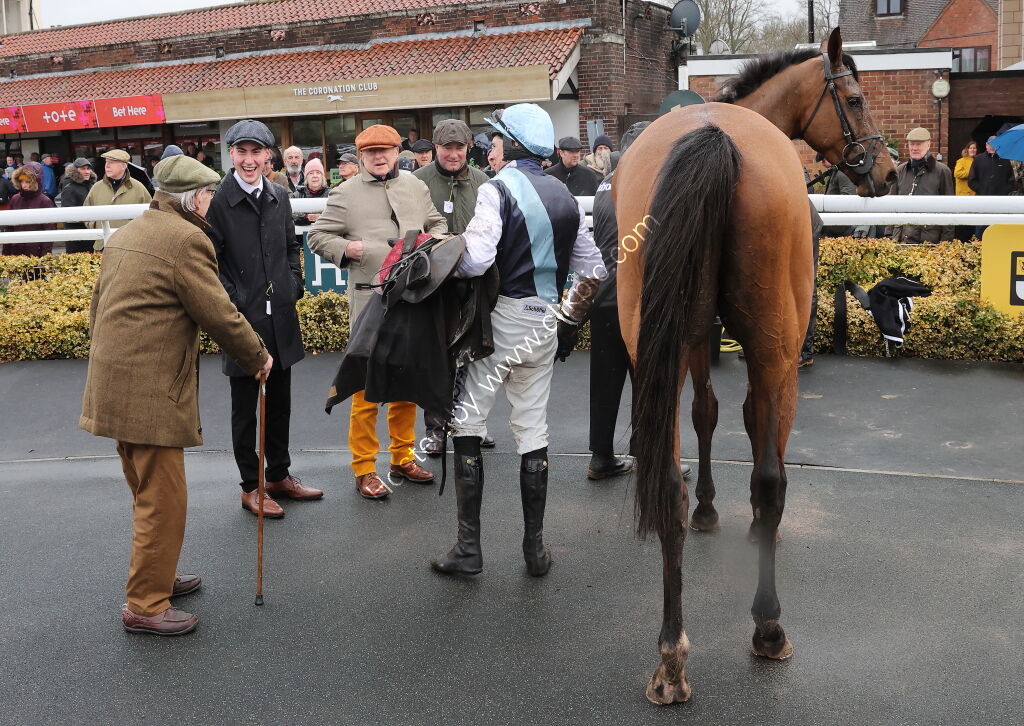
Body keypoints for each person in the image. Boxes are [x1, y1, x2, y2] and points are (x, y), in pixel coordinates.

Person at [80, 154, 273, 636]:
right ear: (196, 199)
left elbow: (96, 307)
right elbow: (219, 313)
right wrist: (258, 358)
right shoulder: (186, 239)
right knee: (162, 500)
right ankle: (145, 604)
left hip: (112, 384)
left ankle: (157, 575)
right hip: (149, 392)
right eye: (211, 197)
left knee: (147, 491)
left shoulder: (129, 232)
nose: (214, 205)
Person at [432, 103, 607, 578]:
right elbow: (594, 271)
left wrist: (443, 253)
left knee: (467, 422)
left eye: (497, 137)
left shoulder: (496, 189)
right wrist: (568, 321)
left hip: (503, 317)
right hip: (546, 321)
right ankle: (534, 550)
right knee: (532, 430)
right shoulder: (568, 197)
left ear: (512, 143)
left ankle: (470, 549)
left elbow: (476, 261)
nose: (493, 144)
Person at [308, 124, 445, 500]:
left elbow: (437, 224)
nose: (379, 157)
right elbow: (317, 235)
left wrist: (431, 241)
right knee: (364, 388)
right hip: (370, 302)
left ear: (396, 151)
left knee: (406, 384)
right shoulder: (344, 193)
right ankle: (364, 467)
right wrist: (347, 250)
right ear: (361, 156)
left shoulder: (416, 186)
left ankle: (402, 456)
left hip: (414, 301)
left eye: (385, 150)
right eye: (371, 153)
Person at [207, 119, 322, 518]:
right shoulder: (217, 201)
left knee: (280, 404)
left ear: (269, 155)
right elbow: (213, 261)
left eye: (256, 152)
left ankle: (278, 474)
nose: (249, 160)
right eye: (242, 152)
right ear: (232, 155)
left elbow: (292, 246)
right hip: (242, 320)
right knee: (245, 409)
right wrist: (235, 302)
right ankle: (249, 485)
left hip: (281, 315)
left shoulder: (278, 194)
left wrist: (293, 284)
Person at [413, 119, 492, 455]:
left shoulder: (484, 182)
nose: (454, 154)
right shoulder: (417, 182)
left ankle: (472, 425)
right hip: (434, 285)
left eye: (460, 147)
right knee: (437, 358)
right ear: (435, 148)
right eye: (447, 147)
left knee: (475, 355)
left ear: (468, 148)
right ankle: (436, 429)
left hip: (476, 282)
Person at [586, 122, 647, 480]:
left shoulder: (603, 184)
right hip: (637, 296)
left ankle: (601, 457)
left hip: (604, 294)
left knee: (605, 383)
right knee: (648, 379)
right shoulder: (646, 182)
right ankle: (650, 456)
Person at [892, 128, 954, 244]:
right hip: (901, 238)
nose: (914, 148)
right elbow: (892, 205)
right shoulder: (900, 170)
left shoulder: (942, 171)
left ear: (928, 145)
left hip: (930, 239)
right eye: (912, 144)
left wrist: (946, 241)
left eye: (919, 144)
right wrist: (889, 235)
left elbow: (949, 208)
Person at [83, 149, 153, 249]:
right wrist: (95, 225)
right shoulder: (96, 188)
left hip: (130, 247)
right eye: (106, 162)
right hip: (103, 246)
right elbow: (86, 212)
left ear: (124, 166)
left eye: (111, 163)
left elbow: (150, 214)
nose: (107, 166)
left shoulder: (138, 188)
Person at [1, 162, 56, 256]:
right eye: (22, 181)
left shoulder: (44, 201)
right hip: (16, 251)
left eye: (27, 182)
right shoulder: (15, 199)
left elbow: (49, 231)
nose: (24, 185)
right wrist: (6, 255)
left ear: (35, 182)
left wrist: (45, 257)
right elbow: (9, 228)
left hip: (36, 252)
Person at [968, 135, 1015, 239]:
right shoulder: (978, 159)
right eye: (990, 144)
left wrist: (1003, 191)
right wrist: (982, 190)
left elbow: (1011, 181)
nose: (992, 146)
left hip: (1001, 202)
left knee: (999, 228)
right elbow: (971, 180)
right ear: (986, 145)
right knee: (980, 228)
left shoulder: (1005, 160)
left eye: (995, 144)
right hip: (982, 201)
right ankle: (978, 250)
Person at [59, 158, 97, 253]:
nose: (87, 171)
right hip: (76, 238)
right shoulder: (69, 188)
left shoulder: (92, 186)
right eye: (83, 169)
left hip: (91, 234)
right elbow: (68, 215)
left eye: (88, 169)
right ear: (75, 170)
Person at [291, 157, 329, 229]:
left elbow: (337, 215)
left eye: (318, 173)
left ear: (322, 177)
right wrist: (306, 217)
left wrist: (321, 217)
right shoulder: (297, 195)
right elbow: (288, 215)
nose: (315, 176)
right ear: (306, 178)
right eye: (311, 173)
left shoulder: (331, 194)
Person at [953, 141, 977, 242]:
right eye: (971, 148)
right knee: (963, 220)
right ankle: (961, 239)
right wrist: (971, 173)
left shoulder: (977, 161)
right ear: (967, 149)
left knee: (972, 219)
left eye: (974, 148)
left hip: (973, 194)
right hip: (963, 194)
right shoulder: (961, 161)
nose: (973, 150)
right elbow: (957, 173)